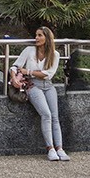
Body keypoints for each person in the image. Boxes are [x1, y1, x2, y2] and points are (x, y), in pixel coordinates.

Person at [12, 25, 67, 160]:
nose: (36, 38)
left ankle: (60, 148)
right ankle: (50, 148)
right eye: (36, 35)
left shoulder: (55, 54)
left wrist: (28, 71)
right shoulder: (29, 50)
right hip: (33, 85)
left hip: (48, 86)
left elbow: (48, 74)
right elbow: (15, 66)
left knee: (55, 117)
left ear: (47, 38)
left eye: (40, 35)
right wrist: (14, 78)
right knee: (46, 114)